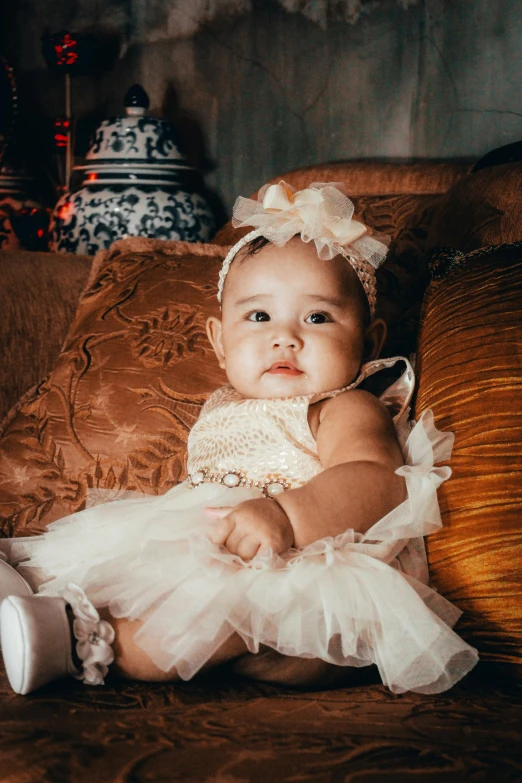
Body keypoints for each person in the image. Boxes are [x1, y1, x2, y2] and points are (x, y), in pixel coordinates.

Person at [0, 181, 478, 696]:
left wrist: (285, 515)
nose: (285, 336)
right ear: (219, 343)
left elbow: (378, 480)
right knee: (124, 578)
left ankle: (76, 641)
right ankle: (34, 594)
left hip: (298, 567)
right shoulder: (223, 407)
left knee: (191, 626)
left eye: (317, 317)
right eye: (258, 316)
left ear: (369, 341)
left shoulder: (344, 406)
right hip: (213, 546)